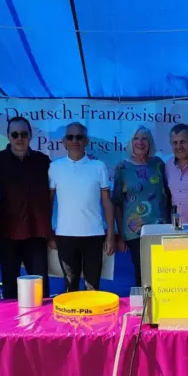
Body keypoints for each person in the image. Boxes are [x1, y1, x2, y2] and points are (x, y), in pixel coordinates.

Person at [0, 116, 52, 299]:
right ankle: (11, 328)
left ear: (30, 135)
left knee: (42, 288)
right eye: (15, 134)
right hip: (7, 234)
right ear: (8, 136)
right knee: (10, 288)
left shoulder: (43, 162)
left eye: (23, 134)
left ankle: (45, 327)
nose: (19, 138)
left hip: (36, 234)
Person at [49, 122, 115, 292]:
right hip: (65, 236)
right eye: (70, 137)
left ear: (86, 141)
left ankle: (93, 320)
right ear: (64, 142)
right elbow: (48, 202)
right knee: (70, 287)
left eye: (79, 137)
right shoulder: (55, 167)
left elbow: (107, 202)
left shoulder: (98, 167)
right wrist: (49, 234)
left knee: (92, 287)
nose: (75, 140)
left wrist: (110, 236)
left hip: (94, 235)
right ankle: (72, 320)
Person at [112, 126, 170, 287]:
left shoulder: (159, 164)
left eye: (144, 138)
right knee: (143, 271)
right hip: (135, 231)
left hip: (161, 229)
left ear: (150, 142)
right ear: (131, 142)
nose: (140, 142)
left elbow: (168, 195)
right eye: (136, 138)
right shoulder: (122, 168)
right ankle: (144, 308)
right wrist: (121, 233)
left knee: (161, 272)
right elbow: (116, 202)